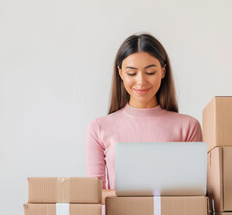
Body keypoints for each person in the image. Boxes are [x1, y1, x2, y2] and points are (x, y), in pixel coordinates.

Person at [86, 33, 203, 191]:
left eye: (150, 72)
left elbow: (195, 192)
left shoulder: (188, 126)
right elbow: (95, 196)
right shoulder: (99, 127)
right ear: (120, 73)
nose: (141, 81)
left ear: (163, 71)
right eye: (132, 73)